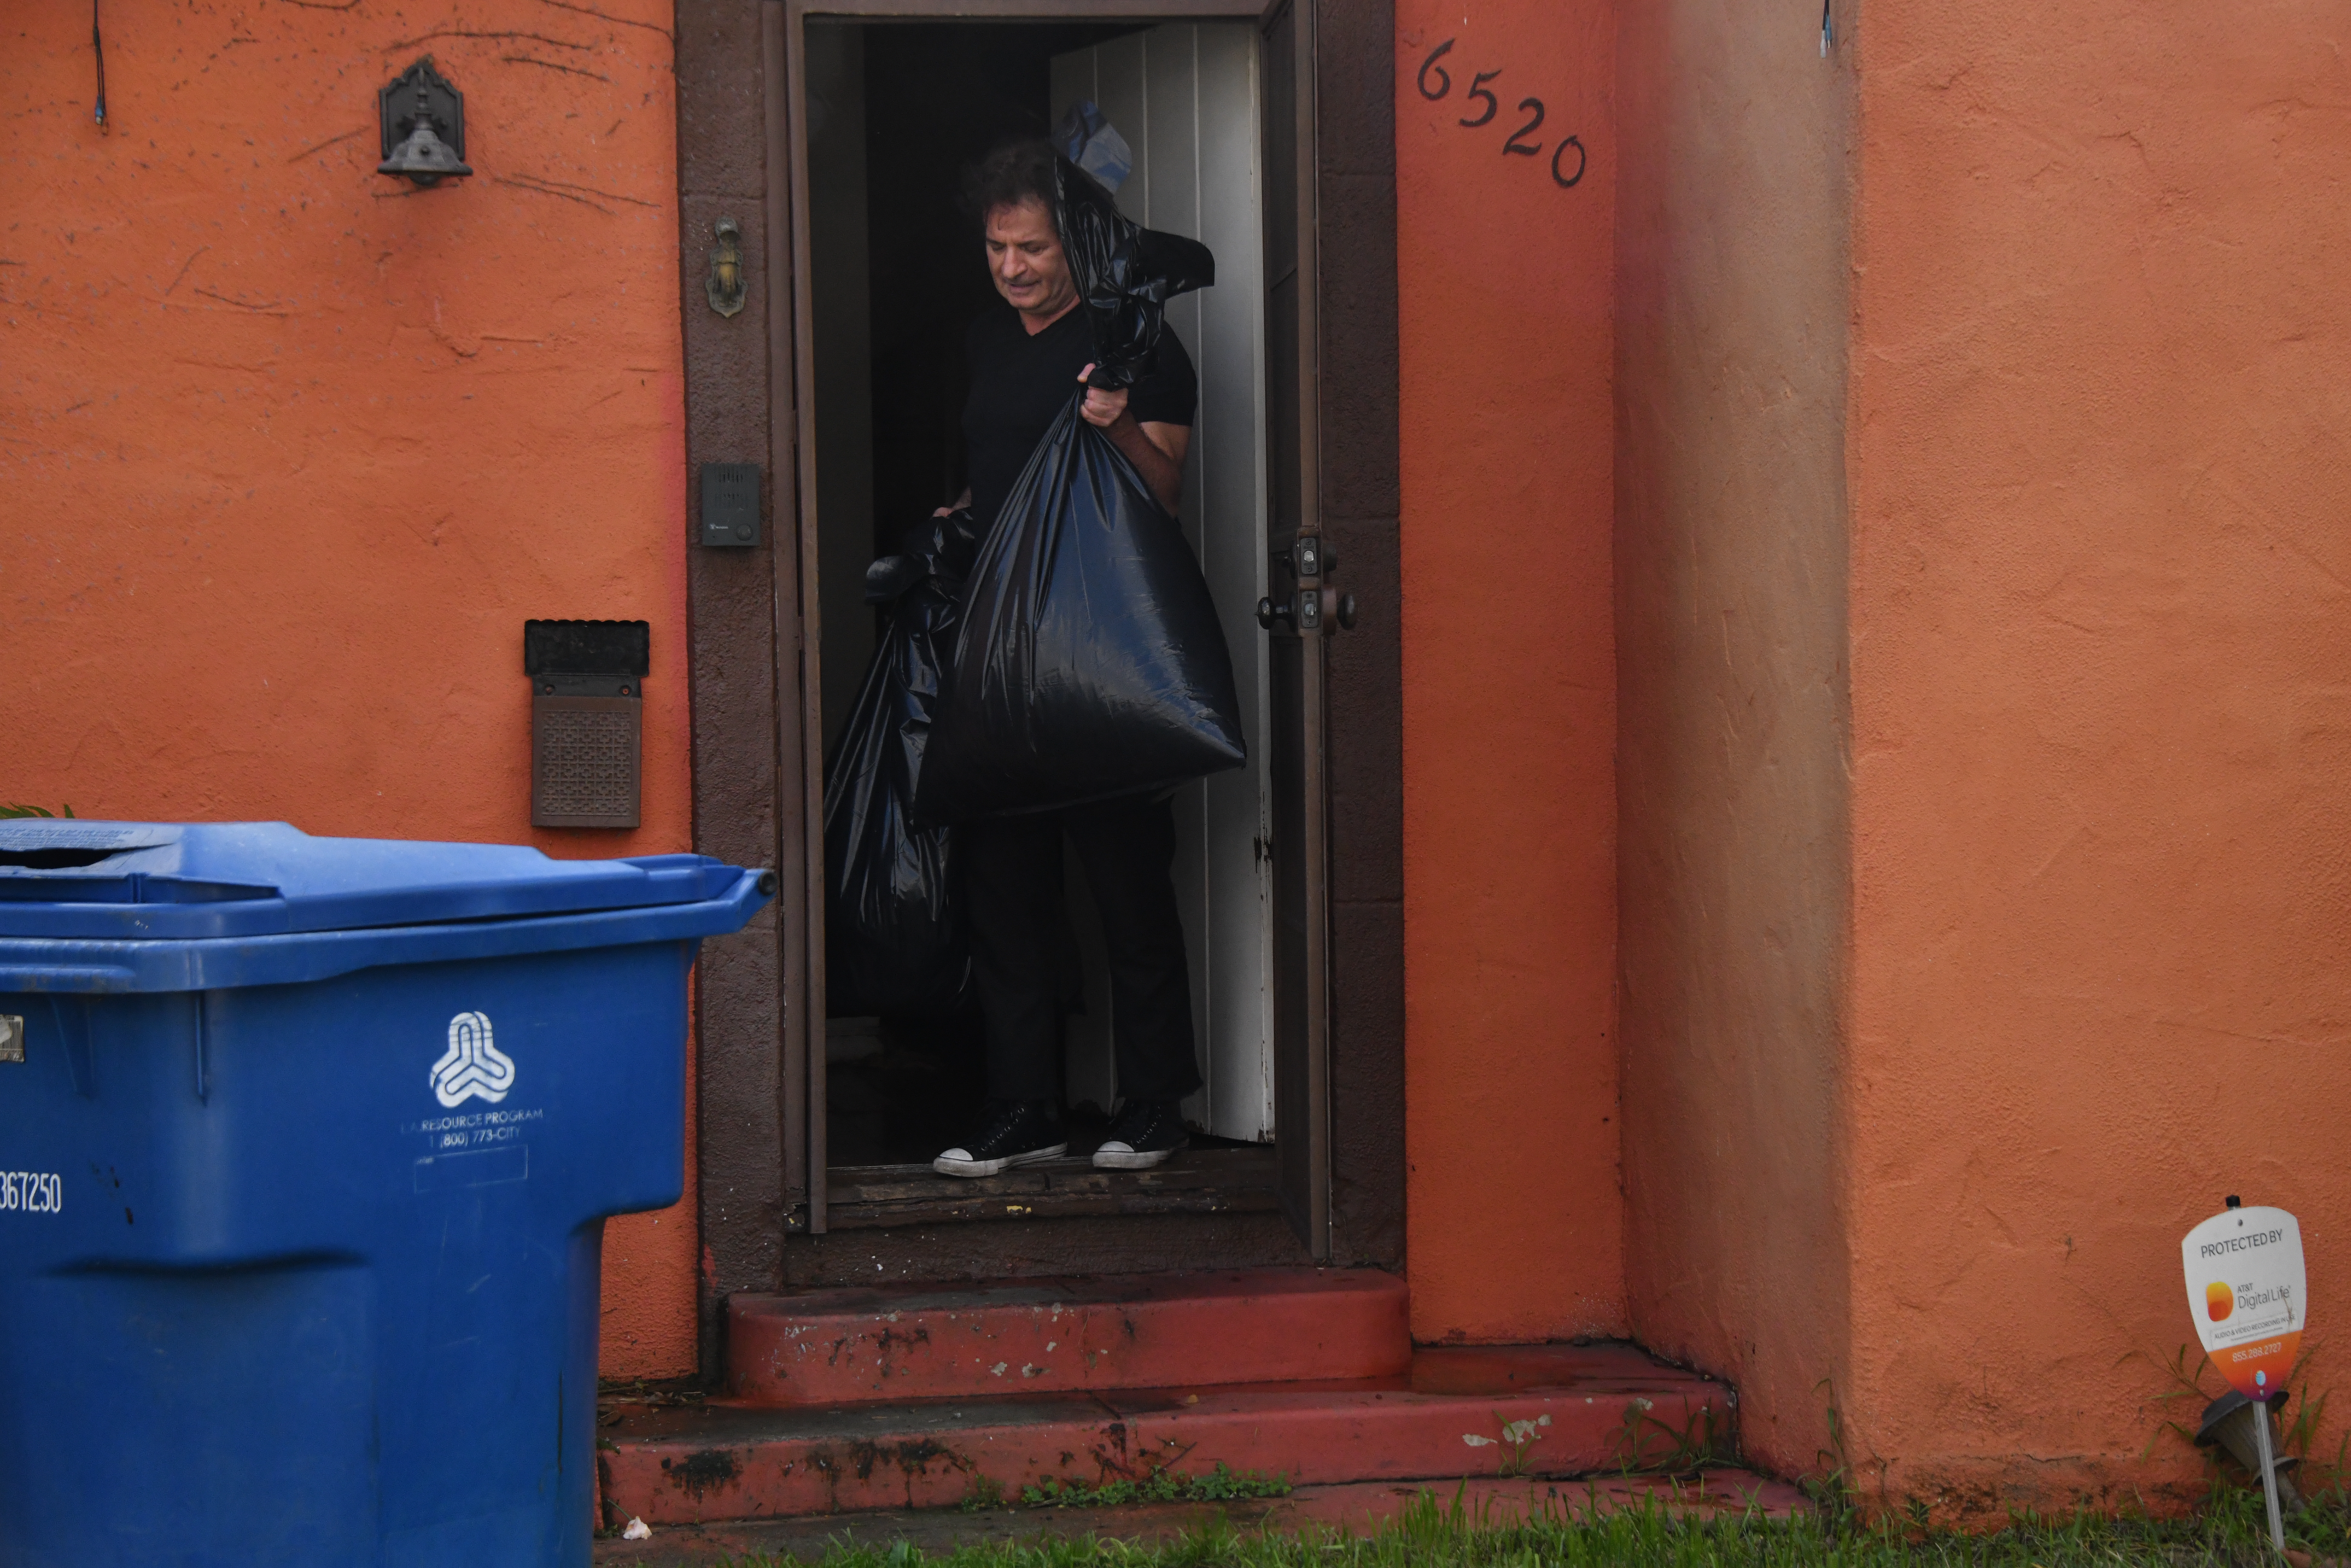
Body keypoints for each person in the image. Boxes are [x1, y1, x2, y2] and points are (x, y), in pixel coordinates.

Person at [928, 138, 1201, 1180]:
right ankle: (1025, 1108)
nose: (1011, 267)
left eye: (1031, 247)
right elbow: (987, 475)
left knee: (1126, 880)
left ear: (1073, 243)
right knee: (1004, 884)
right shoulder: (985, 343)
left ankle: (1153, 1105)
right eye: (997, 247)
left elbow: (1165, 491)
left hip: (1104, 647)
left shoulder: (1135, 343)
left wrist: (1117, 420)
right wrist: (950, 522)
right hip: (1001, 647)